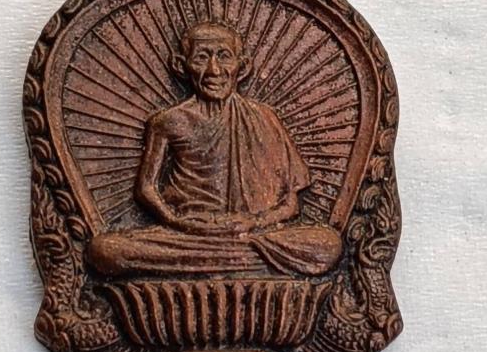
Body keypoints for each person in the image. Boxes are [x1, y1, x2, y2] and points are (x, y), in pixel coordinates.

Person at [87, 20, 341, 276]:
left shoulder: (265, 118)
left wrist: (253, 222)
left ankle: (210, 263)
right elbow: (146, 189)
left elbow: (290, 205)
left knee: (326, 245)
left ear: (243, 66)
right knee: (106, 250)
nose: (214, 70)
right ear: (181, 65)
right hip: (187, 234)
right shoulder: (168, 121)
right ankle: (238, 262)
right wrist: (177, 222)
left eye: (224, 57)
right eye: (201, 58)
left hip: (251, 233)